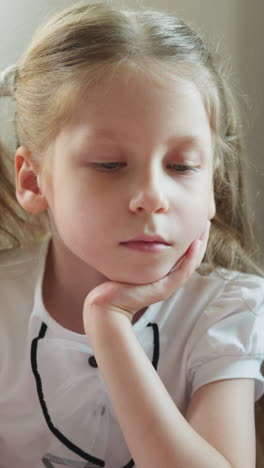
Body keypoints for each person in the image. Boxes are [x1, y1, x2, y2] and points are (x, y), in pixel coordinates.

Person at [0, 2, 263, 467]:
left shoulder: (228, 312)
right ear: (33, 181)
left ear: (212, 187)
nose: (151, 196)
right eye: (109, 165)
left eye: (181, 166)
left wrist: (110, 322)